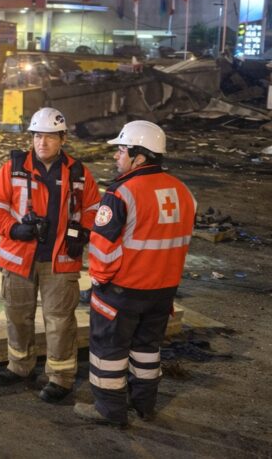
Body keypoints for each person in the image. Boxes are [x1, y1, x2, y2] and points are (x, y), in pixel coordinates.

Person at [74, 121, 196, 427]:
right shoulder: (182, 191)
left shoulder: (121, 193)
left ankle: (109, 410)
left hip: (123, 291)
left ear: (139, 156)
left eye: (121, 150)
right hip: (163, 291)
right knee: (147, 350)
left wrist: (100, 282)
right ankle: (145, 405)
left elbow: (102, 248)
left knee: (108, 353)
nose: (117, 156)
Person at [0, 107, 101, 403]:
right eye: (37, 136)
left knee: (60, 321)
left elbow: (92, 208)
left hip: (60, 261)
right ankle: (19, 366)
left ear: (62, 138)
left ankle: (60, 377)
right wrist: (13, 229)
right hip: (19, 257)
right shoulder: (13, 168)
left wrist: (83, 234)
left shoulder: (77, 172)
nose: (41, 143)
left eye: (49, 137)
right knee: (17, 316)